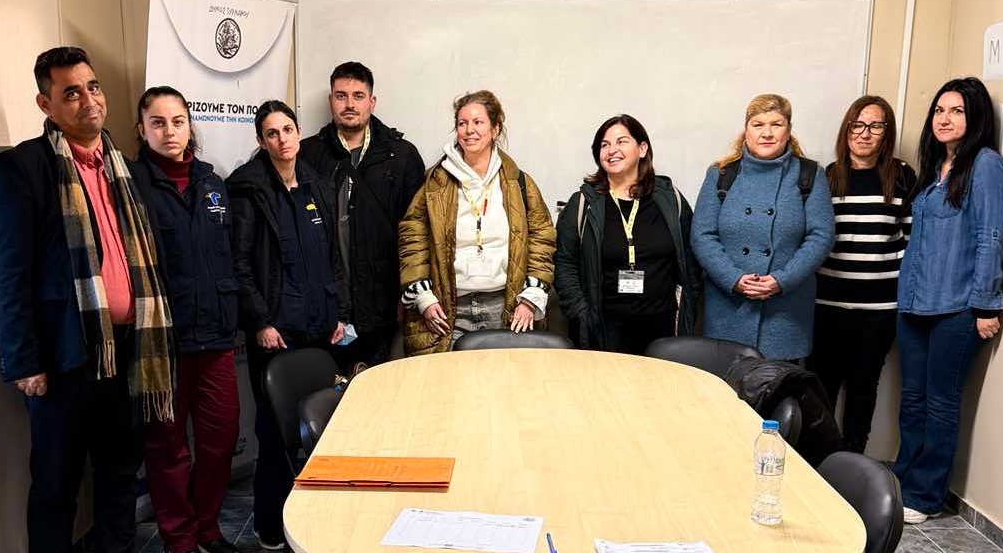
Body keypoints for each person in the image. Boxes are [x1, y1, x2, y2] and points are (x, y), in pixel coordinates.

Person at [0, 47, 177, 553]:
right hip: (62, 357)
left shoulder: (124, 168)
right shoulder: (23, 170)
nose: (88, 100)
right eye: (71, 92)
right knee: (55, 483)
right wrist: (24, 360)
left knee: (119, 470)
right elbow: (5, 273)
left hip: (128, 349)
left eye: (92, 87)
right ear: (45, 103)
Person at [128, 86, 240, 553]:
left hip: (215, 334)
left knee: (221, 438)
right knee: (168, 446)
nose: (169, 132)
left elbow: (229, 251)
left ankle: (208, 527)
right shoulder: (130, 186)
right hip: (163, 342)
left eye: (177, 121)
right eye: (158, 122)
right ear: (142, 130)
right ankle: (179, 537)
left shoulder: (212, 184)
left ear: (189, 125)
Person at [227, 100, 347, 548]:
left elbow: (333, 257)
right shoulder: (248, 190)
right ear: (261, 141)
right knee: (276, 432)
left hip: (319, 328)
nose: (282, 140)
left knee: (322, 426)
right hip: (276, 334)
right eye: (272, 133)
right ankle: (270, 523)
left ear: (299, 133)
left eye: (288, 130)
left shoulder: (316, 184)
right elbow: (240, 265)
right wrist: (260, 321)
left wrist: (339, 312)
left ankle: (316, 522)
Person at [895, 77, 1003, 524]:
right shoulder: (934, 167)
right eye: (939, 111)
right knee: (912, 400)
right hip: (914, 303)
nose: (944, 119)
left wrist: (986, 304)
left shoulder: (985, 165)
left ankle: (925, 496)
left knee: (940, 403)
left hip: (958, 308)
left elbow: (990, 236)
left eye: (956, 111)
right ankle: (901, 482)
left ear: (975, 117)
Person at [398, 90, 556, 355]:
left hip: (505, 307)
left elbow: (543, 239)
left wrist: (531, 297)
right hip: (448, 309)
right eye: (462, 123)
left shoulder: (518, 182)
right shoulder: (434, 183)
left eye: (478, 122)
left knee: (504, 379)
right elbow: (412, 239)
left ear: (495, 129)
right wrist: (423, 297)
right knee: (449, 380)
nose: (469, 130)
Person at [806, 96, 916, 454]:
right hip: (828, 303)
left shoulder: (901, 177)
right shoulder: (827, 177)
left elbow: (912, 241)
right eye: (858, 125)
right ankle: (820, 460)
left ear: (887, 133)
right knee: (822, 384)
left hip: (879, 309)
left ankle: (853, 460)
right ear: (847, 129)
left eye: (876, 126)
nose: (865, 133)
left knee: (863, 386)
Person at [300, 62, 426, 371]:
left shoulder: (401, 156)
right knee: (329, 390)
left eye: (358, 96)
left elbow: (417, 234)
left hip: (383, 301)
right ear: (331, 100)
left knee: (378, 389)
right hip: (327, 302)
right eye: (341, 96)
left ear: (372, 102)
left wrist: (406, 296)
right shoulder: (307, 155)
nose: (349, 104)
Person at [690, 93, 834, 361]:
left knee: (779, 386)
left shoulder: (810, 175)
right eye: (758, 125)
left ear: (788, 131)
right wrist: (733, 278)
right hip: (728, 309)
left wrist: (782, 280)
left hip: (785, 312)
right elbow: (702, 235)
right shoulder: (721, 173)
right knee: (724, 385)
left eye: (776, 124)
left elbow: (821, 237)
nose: (767, 133)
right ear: (746, 131)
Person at [554, 114, 702, 353]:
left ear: (642, 149)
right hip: (603, 331)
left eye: (621, 141)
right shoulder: (583, 203)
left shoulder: (670, 199)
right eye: (604, 144)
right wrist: (581, 313)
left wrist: (688, 307)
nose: (612, 150)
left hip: (663, 328)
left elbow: (690, 259)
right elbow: (564, 263)